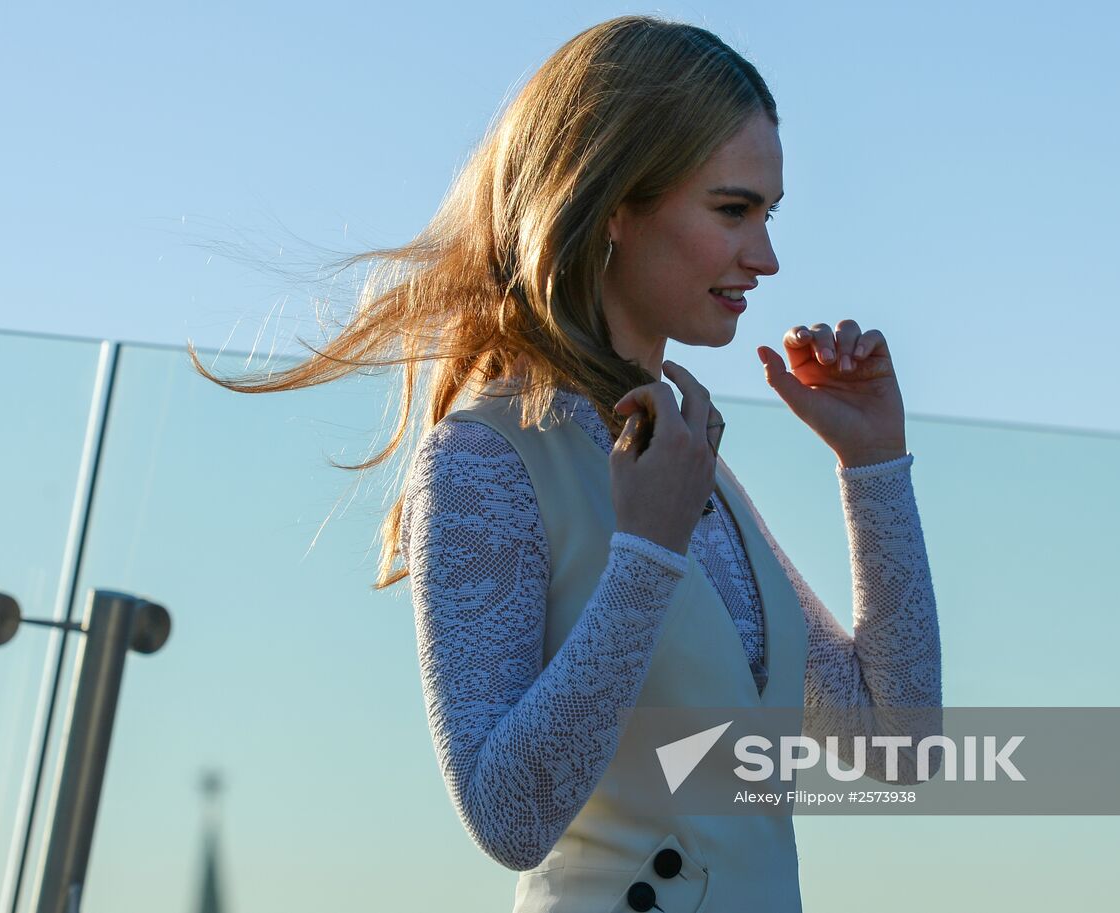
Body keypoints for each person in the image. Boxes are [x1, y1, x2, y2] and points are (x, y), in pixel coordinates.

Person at [193, 14, 941, 911]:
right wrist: (648, 555)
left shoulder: (680, 454)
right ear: (616, 202)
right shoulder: (485, 455)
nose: (766, 256)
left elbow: (897, 746)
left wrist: (873, 465)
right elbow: (509, 817)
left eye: (768, 214)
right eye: (733, 210)